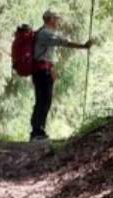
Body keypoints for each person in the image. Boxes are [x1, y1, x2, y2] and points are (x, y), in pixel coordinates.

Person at [30, 9, 94, 141]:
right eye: (56, 19)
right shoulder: (45, 34)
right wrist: (83, 46)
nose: (58, 21)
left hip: (43, 71)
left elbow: (46, 55)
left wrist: (52, 69)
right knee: (44, 100)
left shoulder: (43, 32)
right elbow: (62, 42)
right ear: (50, 19)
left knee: (42, 100)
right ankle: (37, 132)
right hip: (42, 72)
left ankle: (37, 131)